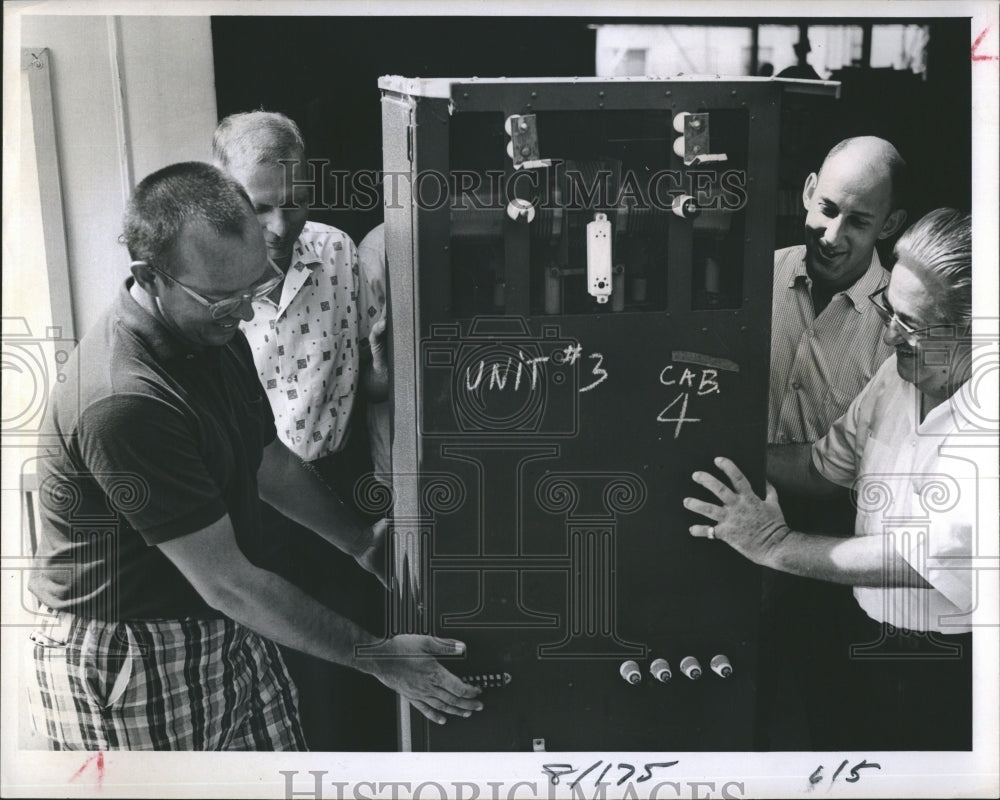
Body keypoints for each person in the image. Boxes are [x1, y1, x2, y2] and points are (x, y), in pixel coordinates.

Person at [25, 162, 482, 751]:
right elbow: (231, 583)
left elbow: (268, 461)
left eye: (256, 287)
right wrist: (378, 657)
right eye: (223, 300)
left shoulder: (209, 331)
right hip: (132, 655)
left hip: (221, 622)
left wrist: (360, 541)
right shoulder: (125, 402)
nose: (245, 314)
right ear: (150, 276)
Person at [686, 208, 978, 750]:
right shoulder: (903, 371)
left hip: (950, 663)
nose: (890, 337)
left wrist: (773, 544)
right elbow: (825, 464)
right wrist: (712, 445)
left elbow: (927, 560)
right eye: (890, 311)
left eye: (911, 325)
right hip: (863, 630)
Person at [213, 111, 394, 749]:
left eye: (296, 203)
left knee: (350, 683)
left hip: (341, 492)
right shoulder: (203, 279)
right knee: (268, 686)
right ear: (220, 185)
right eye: (260, 206)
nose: (280, 225)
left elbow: (363, 386)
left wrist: (383, 367)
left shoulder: (340, 252)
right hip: (250, 506)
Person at [760, 135, 908, 747]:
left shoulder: (897, 318)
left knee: (829, 715)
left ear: (890, 226)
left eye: (859, 221)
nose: (833, 233)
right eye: (826, 208)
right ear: (805, 195)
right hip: (746, 511)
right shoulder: (754, 278)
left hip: (836, 540)